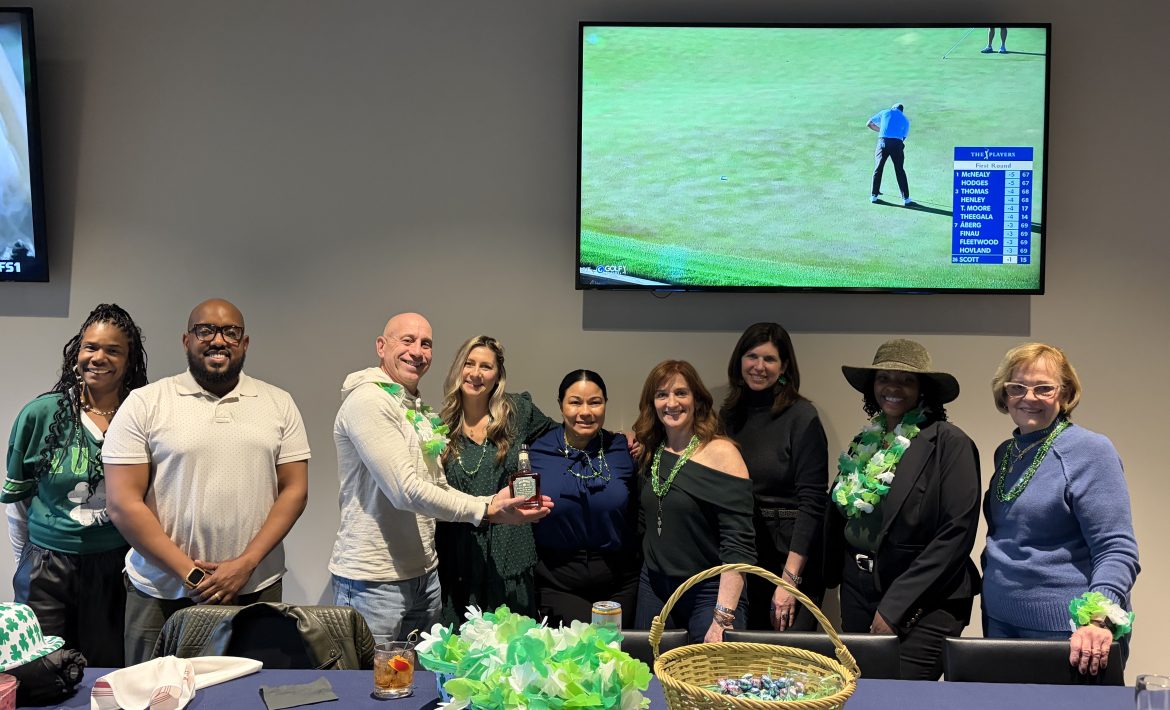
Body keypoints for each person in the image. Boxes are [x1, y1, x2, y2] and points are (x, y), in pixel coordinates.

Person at [104, 298, 311, 664]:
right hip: (159, 592)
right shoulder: (145, 403)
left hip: (254, 587)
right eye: (206, 330)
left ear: (245, 343)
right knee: (153, 691)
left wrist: (245, 564)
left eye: (231, 332)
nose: (218, 340)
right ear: (187, 340)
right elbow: (123, 503)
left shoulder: (278, 403)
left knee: (253, 689)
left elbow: (294, 490)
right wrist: (193, 575)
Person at [329, 313, 551, 644]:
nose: (417, 351)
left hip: (424, 575)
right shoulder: (369, 401)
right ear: (381, 346)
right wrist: (486, 510)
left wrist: (491, 501)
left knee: (422, 674)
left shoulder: (416, 410)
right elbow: (405, 490)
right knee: (373, 675)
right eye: (407, 340)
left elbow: (438, 488)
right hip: (376, 581)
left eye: (426, 344)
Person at [825, 339, 981, 680]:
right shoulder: (866, 441)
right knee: (861, 693)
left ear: (923, 389)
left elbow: (955, 534)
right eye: (884, 378)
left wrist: (895, 606)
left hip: (925, 599)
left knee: (903, 697)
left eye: (906, 380)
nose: (893, 387)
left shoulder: (950, 443)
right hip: (858, 591)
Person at [2, 304, 148, 667]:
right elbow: (18, 505)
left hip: (115, 566)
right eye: (90, 347)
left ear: (129, 360)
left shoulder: (142, 417)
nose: (98, 358)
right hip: (46, 566)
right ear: (76, 353)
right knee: (41, 671)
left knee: (106, 672)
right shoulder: (40, 414)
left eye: (113, 350)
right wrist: (26, 564)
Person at [982, 343, 1139, 676]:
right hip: (999, 622)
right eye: (1017, 387)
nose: (1029, 397)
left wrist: (1097, 620)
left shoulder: (1091, 450)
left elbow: (1117, 548)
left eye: (1044, 388)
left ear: (1065, 394)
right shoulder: (1007, 452)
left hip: (1069, 633)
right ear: (1004, 394)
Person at [632, 360, 754, 643]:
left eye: (681, 393)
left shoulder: (723, 453)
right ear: (652, 403)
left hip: (710, 590)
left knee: (710, 669)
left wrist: (723, 617)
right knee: (648, 668)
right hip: (654, 586)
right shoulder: (651, 451)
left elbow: (738, 544)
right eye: (662, 395)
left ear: (697, 399)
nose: (671, 403)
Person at [436, 335, 556, 621]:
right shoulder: (438, 428)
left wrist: (615, 439)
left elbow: (562, 437)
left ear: (498, 375)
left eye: (486, 366)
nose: (476, 373)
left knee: (515, 641)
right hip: (460, 557)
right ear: (458, 368)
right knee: (461, 643)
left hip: (511, 551)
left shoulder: (518, 412)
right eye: (469, 363)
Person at [719, 323, 827, 632]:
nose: (759, 366)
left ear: (784, 367)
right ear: (739, 361)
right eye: (752, 356)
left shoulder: (802, 416)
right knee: (746, 655)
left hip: (790, 559)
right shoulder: (729, 415)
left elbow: (813, 502)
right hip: (745, 554)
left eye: (769, 359)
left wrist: (789, 581)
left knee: (787, 657)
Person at [528, 369, 640, 627]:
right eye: (575, 402)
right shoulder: (536, 451)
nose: (585, 412)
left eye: (595, 402)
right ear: (561, 405)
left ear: (605, 404)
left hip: (620, 580)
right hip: (558, 580)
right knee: (578, 649)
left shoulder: (623, 448)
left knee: (617, 649)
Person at [867, 103, 913, 206]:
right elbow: (903, 137)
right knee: (899, 169)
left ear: (893, 108)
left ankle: (874, 196)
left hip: (882, 142)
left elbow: (869, 124)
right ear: (901, 111)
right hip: (897, 143)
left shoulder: (885, 112)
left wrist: (882, 131)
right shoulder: (905, 120)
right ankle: (906, 199)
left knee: (878, 168)